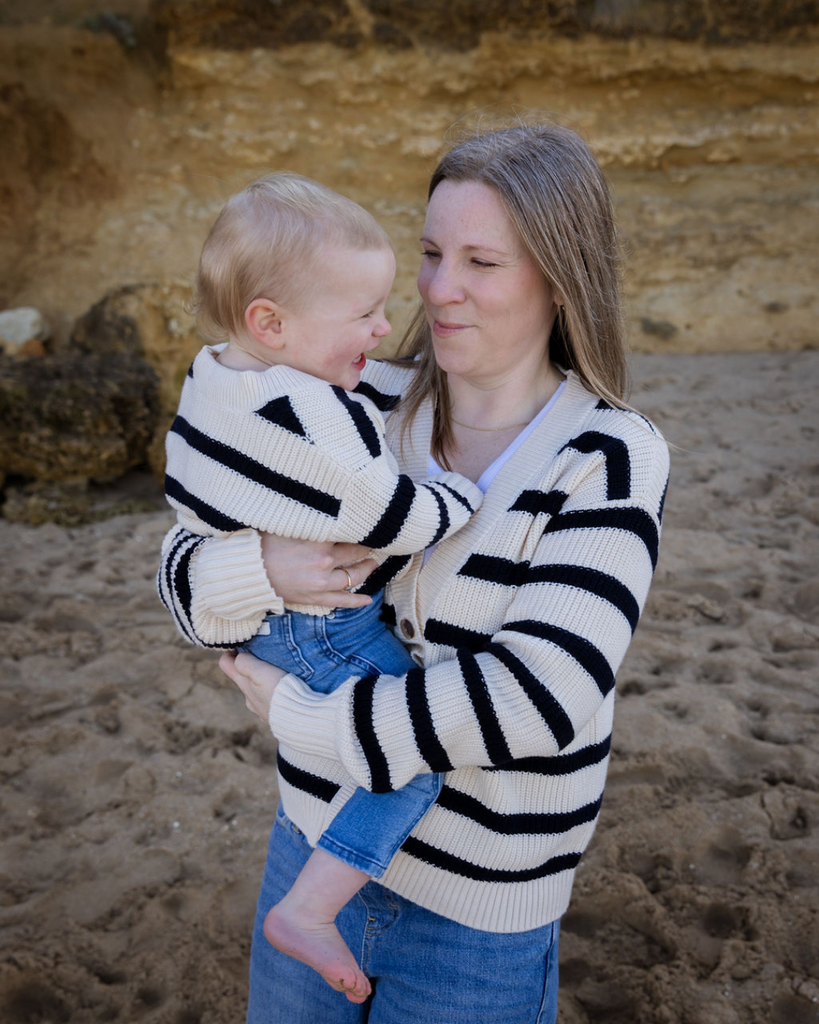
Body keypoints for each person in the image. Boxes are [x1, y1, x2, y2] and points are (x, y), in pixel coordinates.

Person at [158, 122, 670, 1024]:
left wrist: (307, 720)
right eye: (431, 253)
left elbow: (539, 698)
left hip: (478, 912)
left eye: (480, 261)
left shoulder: (608, 455)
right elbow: (181, 576)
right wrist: (265, 568)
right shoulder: (352, 396)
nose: (437, 289)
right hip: (308, 846)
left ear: (558, 275)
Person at [160, 172, 485, 1003]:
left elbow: (184, 515)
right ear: (271, 322)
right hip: (321, 626)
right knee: (410, 759)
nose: (385, 327)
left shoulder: (214, 376)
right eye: (365, 314)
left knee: (361, 751)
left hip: (264, 622)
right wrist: (462, 498)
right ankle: (310, 908)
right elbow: (383, 513)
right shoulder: (308, 408)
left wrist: (248, 565)